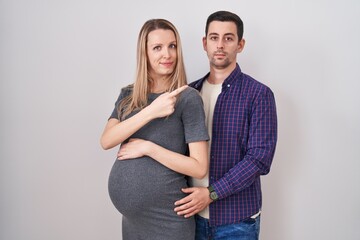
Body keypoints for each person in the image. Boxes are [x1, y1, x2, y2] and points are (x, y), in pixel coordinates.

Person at [100, 19, 209, 240]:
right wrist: (151, 111)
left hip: (168, 219)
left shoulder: (187, 98)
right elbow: (107, 140)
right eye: (157, 48)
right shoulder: (128, 95)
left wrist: (148, 148)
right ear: (145, 53)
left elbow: (199, 167)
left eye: (172, 46)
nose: (167, 54)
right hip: (133, 222)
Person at [173, 11, 278, 239]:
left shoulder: (259, 94)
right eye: (214, 37)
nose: (220, 45)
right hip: (190, 217)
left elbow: (259, 159)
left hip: (237, 220)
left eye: (228, 38)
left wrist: (211, 194)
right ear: (204, 43)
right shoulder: (188, 93)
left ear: (240, 45)